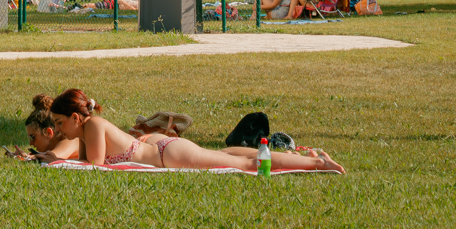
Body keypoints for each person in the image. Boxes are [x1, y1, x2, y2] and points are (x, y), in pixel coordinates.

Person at [17, 90, 344, 173]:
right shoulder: (88, 130)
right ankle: (300, 155)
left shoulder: (93, 127)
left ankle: (317, 164)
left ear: (76, 117)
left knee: (244, 165)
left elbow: (95, 169)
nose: (59, 129)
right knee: (227, 154)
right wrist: (50, 157)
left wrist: (53, 159)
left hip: (166, 154)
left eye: (60, 123)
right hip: (159, 148)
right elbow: (84, 162)